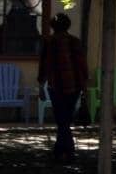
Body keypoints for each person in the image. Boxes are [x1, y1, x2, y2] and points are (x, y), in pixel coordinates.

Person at [38, 12, 89, 161]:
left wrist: (41, 85)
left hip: (56, 86)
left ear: (53, 27)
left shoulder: (49, 42)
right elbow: (82, 66)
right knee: (65, 119)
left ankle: (63, 151)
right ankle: (64, 151)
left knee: (62, 120)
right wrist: (83, 85)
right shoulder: (75, 41)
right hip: (73, 86)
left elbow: (44, 67)